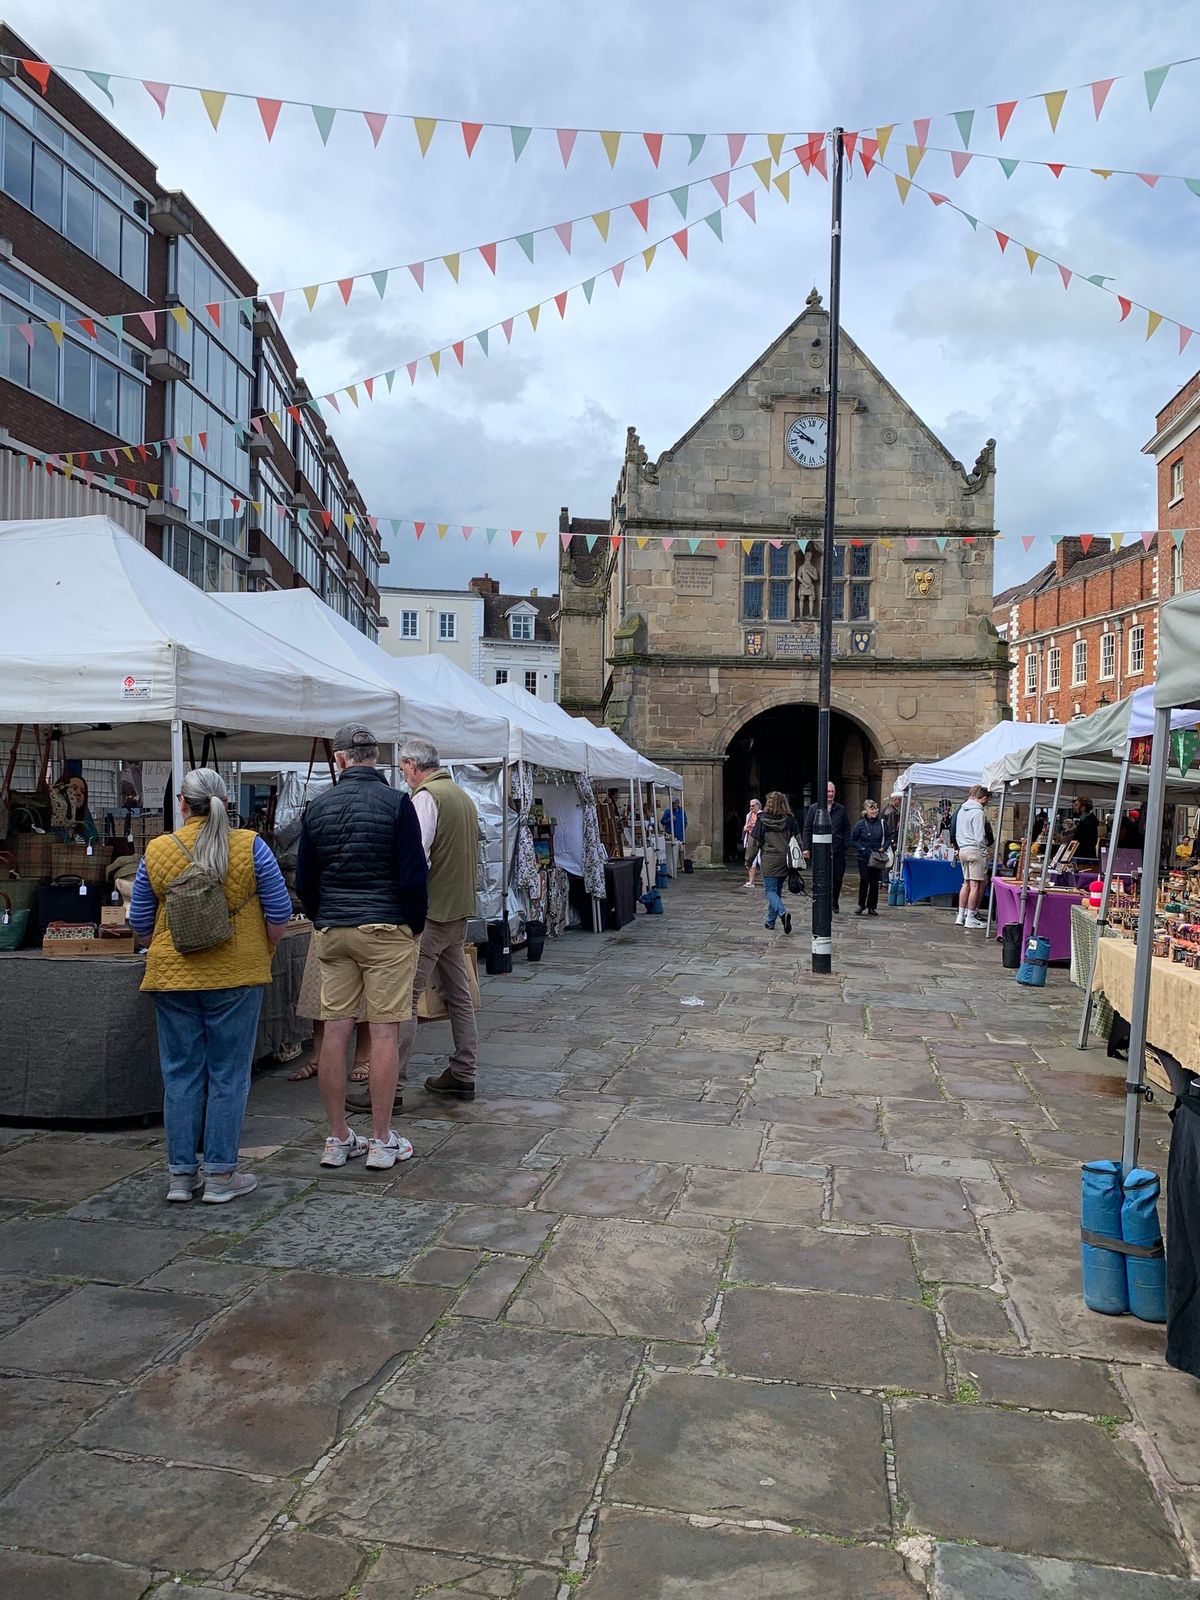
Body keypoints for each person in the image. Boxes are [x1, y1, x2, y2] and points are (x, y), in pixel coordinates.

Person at [129, 767, 292, 1204]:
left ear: (181, 803)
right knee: (228, 1074)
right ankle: (220, 1175)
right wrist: (261, 948)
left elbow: (140, 923)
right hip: (237, 975)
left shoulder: (158, 849)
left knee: (180, 1074)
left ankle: (181, 1176)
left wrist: (167, 942)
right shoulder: (251, 846)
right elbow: (279, 914)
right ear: (227, 801)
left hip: (171, 976)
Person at [296, 725, 428, 1171]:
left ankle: (337, 1138)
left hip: (335, 927)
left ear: (340, 760)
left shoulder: (318, 806)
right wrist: (414, 924)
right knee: (386, 1029)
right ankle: (381, 1138)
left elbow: (304, 878)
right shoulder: (397, 803)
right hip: (386, 926)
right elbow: (413, 874)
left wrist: (322, 914)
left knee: (336, 1028)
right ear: (377, 758)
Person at [348, 738, 481, 1109]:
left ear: (410, 764)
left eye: (403, 767)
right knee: (459, 995)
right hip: (457, 909)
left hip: (430, 914)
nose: (403, 774)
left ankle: (392, 1087)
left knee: (403, 1000)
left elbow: (415, 857)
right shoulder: (461, 796)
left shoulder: (426, 798)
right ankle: (464, 1071)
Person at [752, 790, 800, 934]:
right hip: (785, 860)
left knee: (770, 891)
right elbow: (798, 840)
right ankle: (770, 921)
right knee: (776, 891)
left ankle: (783, 914)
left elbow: (753, 843)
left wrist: (749, 860)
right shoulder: (790, 820)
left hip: (769, 860)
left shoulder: (762, 821)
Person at [802, 781, 850, 914]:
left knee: (838, 877)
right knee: (821, 877)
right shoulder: (814, 809)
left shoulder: (840, 809)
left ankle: (834, 901)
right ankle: (822, 901)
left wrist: (845, 843)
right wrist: (806, 847)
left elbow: (846, 827)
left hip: (837, 849)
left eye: (832, 792)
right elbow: (807, 829)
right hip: (820, 850)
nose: (830, 794)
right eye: (828, 792)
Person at [953, 785, 992, 929]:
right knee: (975, 886)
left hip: (962, 849)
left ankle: (960, 915)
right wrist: (984, 851)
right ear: (983, 798)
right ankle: (970, 917)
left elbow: (956, 832)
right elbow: (980, 836)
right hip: (974, 849)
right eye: (986, 800)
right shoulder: (978, 813)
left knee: (966, 883)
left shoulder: (961, 810)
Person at [851, 799, 887, 917]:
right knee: (864, 879)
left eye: (875, 808)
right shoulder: (860, 824)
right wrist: (862, 849)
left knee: (875, 882)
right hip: (864, 857)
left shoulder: (882, 823)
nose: (874, 811)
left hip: (877, 857)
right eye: (871, 808)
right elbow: (853, 839)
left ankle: (872, 906)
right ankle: (861, 904)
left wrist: (884, 847)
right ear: (866, 811)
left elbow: (888, 837)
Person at [1068, 795, 1100, 861]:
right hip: (1085, 857)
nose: (1074, 808)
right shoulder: (1089, 821)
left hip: (1083, 859)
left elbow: (1082, 843)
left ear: (1083, 808)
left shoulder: (1087, 824)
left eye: (1076, 805)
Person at [742, 798, 763, 887]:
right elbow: (745, 826)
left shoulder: (762, 815)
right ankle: (751, 881)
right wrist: (745, 828)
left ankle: (767, 880)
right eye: (750, 805)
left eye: (753, 805)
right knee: (751, 860)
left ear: (758, 805)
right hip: (750, 839)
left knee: (761, 861)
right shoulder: (748, 815)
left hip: (759, 840)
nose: (751, 807)